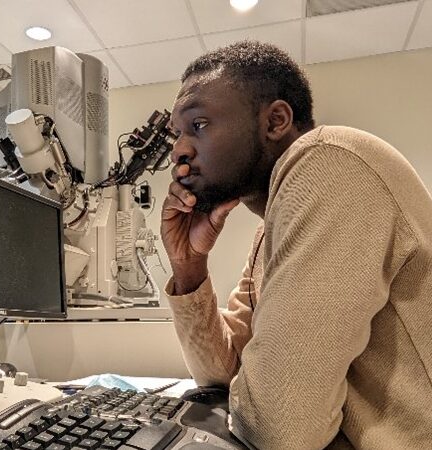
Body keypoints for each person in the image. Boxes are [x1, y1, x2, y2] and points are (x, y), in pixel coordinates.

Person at [161, 40, 432, 450]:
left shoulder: (328, 160)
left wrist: (253, 395)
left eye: (198, 125)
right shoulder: (269, 231)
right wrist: (189, 265)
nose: (179, 149)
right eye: (177, 134)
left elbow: (281, 430)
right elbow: (220, 373)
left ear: (275, 121)